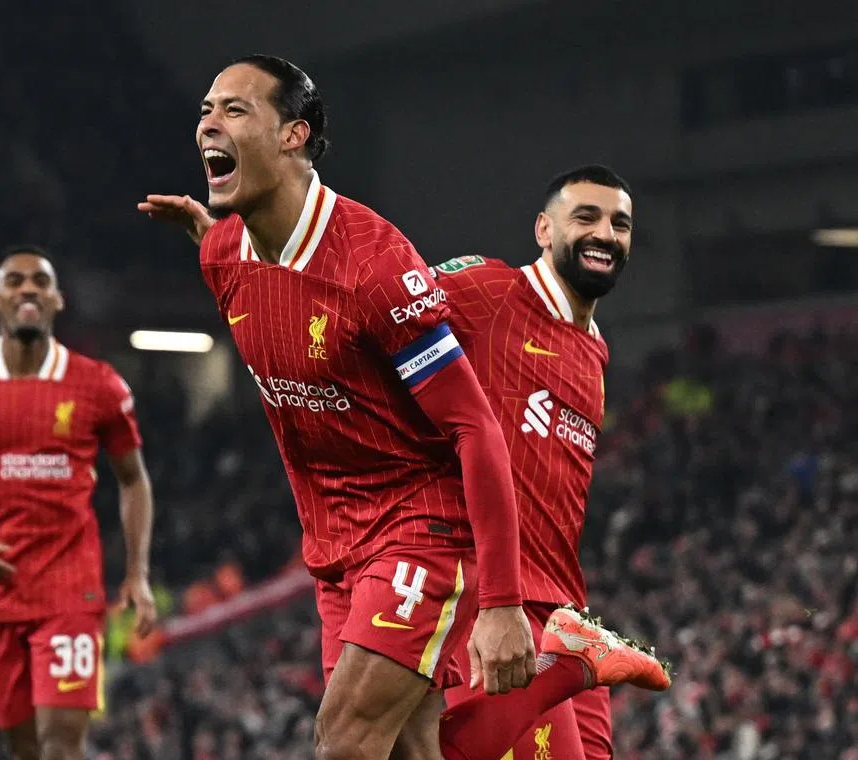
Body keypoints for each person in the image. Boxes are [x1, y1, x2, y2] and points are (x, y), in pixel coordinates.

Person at [138, 55, 666, 759]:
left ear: (294, 135)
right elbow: (266, 275)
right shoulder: (227, 257)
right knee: (412, 751)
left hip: (426, 534)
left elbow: (471, 420)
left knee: (344, 743)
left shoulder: (379, 268)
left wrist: (502, 600)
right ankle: (568, 664)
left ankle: (564, 664)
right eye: (206, 108)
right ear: (545, 229)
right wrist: (209, 234)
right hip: (339, 547)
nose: (209, 121)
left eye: (235, 109)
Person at [435, 165, 651, 760]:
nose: (605, 234)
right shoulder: (489, 291)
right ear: (543, 229)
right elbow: (380, 306)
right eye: (586, 217)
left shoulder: (595, 349)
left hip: (565, 614)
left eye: (620, 224)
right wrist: (262, 254)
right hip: (493, 602)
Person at [0, 247, 157, 760]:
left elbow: (133, 479)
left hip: (71, 588)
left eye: (41, 281)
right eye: (15, 280)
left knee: (60, 743)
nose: (28, 289)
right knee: (22, 747)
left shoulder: (99, 385)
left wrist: (137, 573)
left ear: (58, 300)